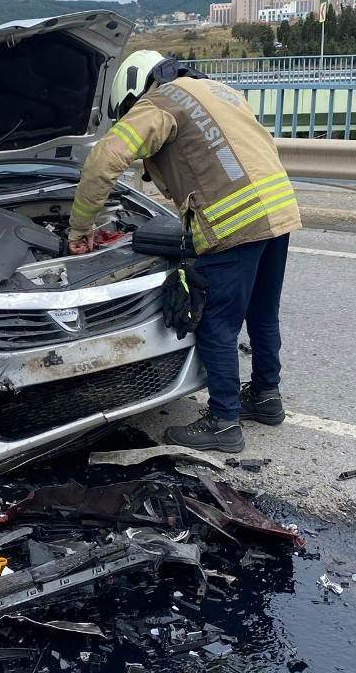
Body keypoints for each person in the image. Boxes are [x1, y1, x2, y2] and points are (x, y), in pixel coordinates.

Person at [66, 50, 300, 454]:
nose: (129, 114)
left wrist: (80, 227)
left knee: (216, 324)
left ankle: (224, 422)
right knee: (262, 313)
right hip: (278, 212)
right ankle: (266, 398)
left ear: (132, 92)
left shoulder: (157, 102)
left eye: (126, 109)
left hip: (235, 222)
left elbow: (105, 157)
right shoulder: (217, 90)